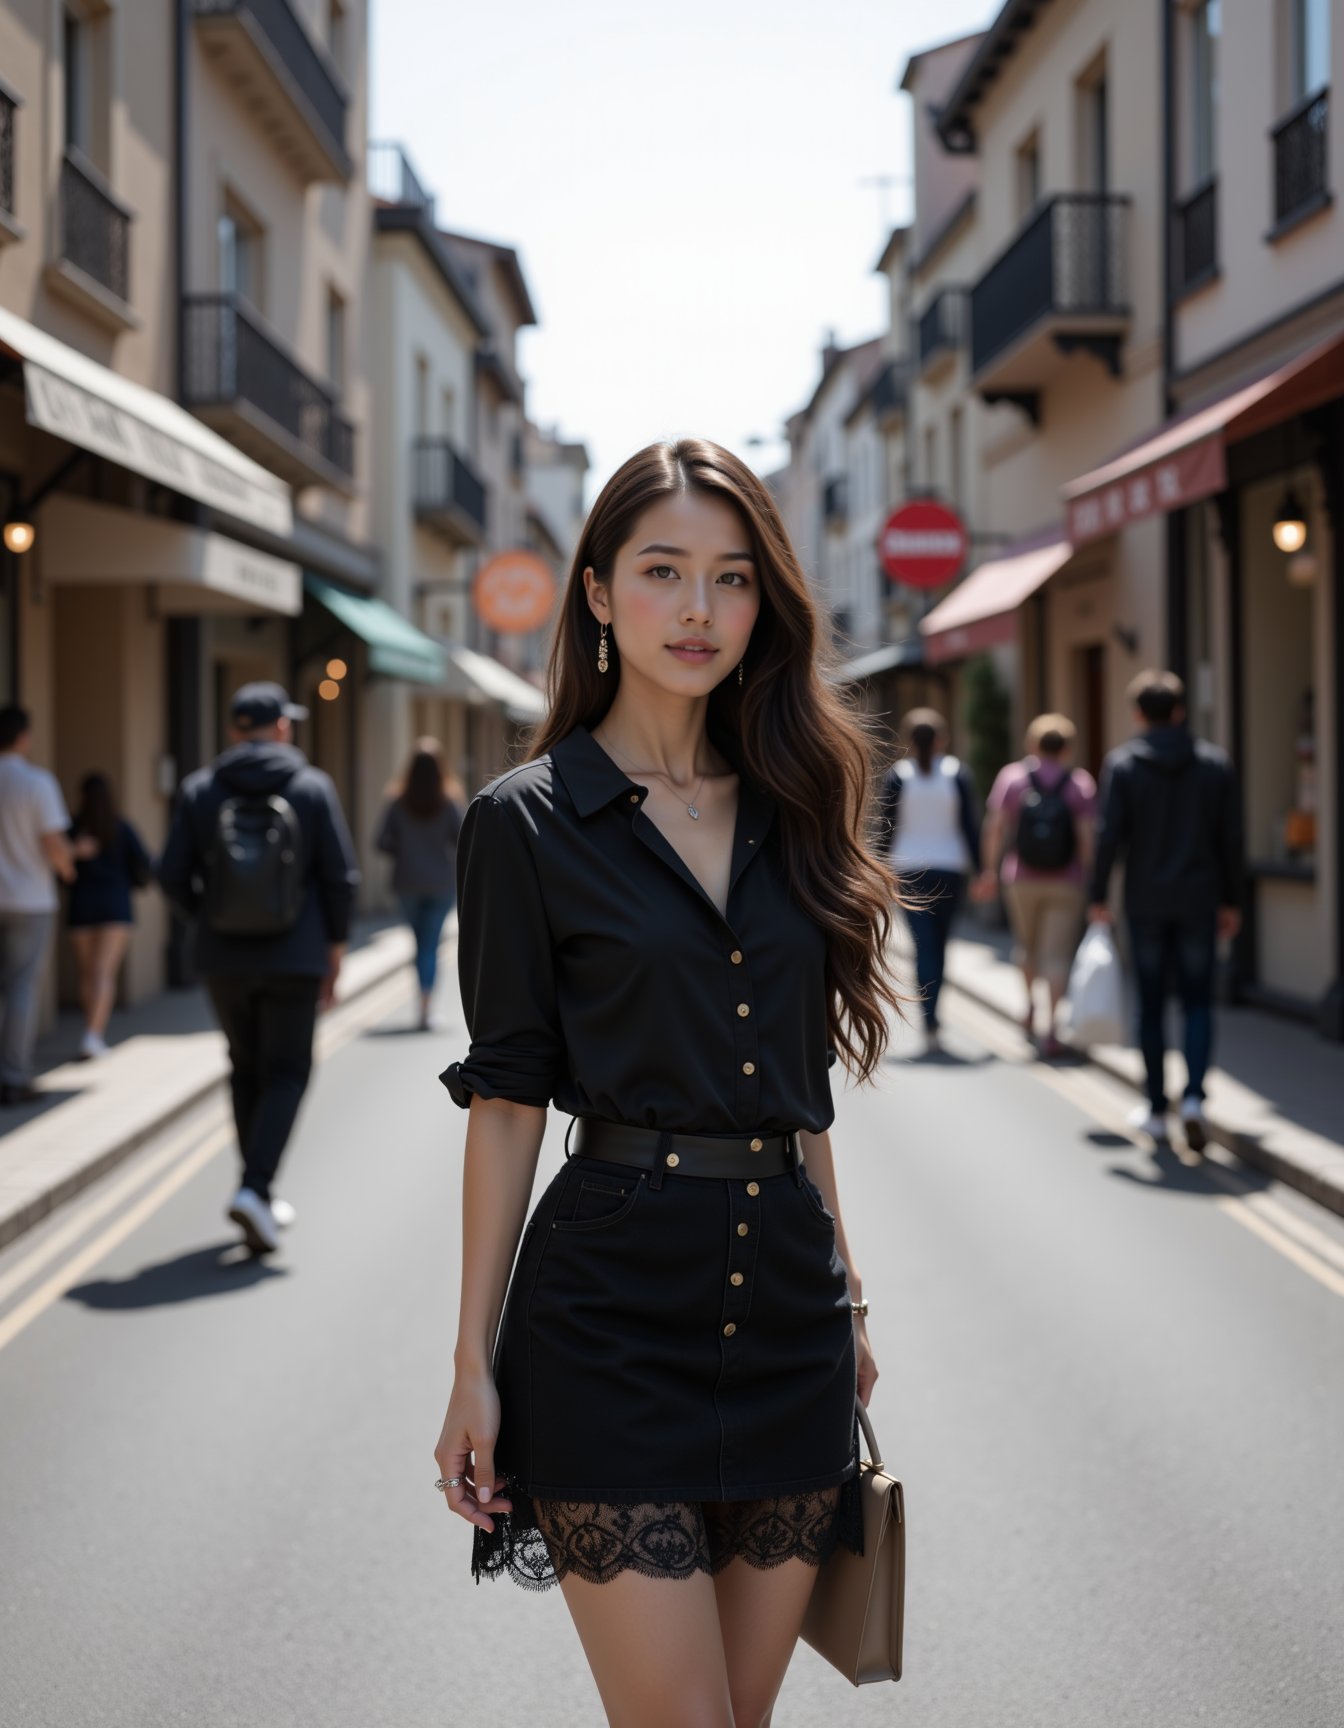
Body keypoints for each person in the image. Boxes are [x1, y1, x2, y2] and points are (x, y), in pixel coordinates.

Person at [433, 439, 900, 1728]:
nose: (699, 611)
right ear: (596, 593)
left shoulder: (800, 802)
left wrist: (849, 1298)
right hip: (605, 1323)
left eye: (732, 578)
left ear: (765, 603)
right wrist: (472, 1362)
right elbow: (510, 1100)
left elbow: (803, 1095)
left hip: (790, 1323)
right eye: (662, 572)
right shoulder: (524, 822)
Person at [158, 682, 360, 1254]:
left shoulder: (200, 790)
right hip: (295, 957)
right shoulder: (311, 787)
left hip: (222, 959)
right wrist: (335, 951)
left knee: (245, 1068)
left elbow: (169, 872)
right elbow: (340, 878)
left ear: (232, 730)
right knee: (288, 1071)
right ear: (281, 728)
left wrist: (208, 918)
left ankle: (258, 1193)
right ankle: (256, 1188)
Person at [1088, 670, 1243, 1151]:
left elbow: (1109, 836)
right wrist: (1233, 900)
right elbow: (1231, 840)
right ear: (1179, 711)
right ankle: (1194, 1098)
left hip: (1146, 903)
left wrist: (1096, 897)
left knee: (1150, 1006)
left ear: (1138, 713)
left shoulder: (1124, 765)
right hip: (1200, 900)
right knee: (1198, 1001)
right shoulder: (1214, 764)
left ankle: (1157, 1109)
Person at [977, 714, 1097, 1058]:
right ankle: (1053, 1027)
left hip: (1021, 877)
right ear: (1068, 747)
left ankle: (1030, 1006)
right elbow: (1087, 839)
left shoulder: (1013, 779)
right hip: (1067, 881)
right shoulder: (1079, 783)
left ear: (1032, 744)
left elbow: (995, 827)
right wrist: (1092, 879)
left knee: (1027, 947)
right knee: (1056, 956)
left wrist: (988, 870)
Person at [878, 708, 980, 1053]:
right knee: (941, 945)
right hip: (950, 869)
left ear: (907, 741)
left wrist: (875, 871)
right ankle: (934, 1017)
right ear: (942, 739)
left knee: (924, 947)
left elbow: (886, 831)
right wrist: (981, 870)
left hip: (908, 871)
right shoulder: (957, 773)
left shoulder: (898, 775)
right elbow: (970, 827)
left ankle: (929, 1020)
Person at [0, 705, 75, 1105]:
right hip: (28, 898)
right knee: (20, 987)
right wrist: (67, 869)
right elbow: (53, 842)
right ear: (24, 737)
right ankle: (12, 1075)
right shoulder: (35, 781)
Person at [375, 739, 464, 1031]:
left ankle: (422, 1005)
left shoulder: (398, 801)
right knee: (430, 946)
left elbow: (382, 842)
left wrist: (405, 849)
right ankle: (426, 1009)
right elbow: (462, 838)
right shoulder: (449, 801)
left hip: (408, 883)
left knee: (420, 945)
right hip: (440, 883)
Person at [64, 772, 155, 1059]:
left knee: (89, 972)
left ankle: (91, 1033)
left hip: (83, 905)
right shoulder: (121, 827)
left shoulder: (73, 829)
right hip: (115, 905)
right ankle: (93, 1035)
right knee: (103, 973)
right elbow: (146, 865)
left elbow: (60, 870)